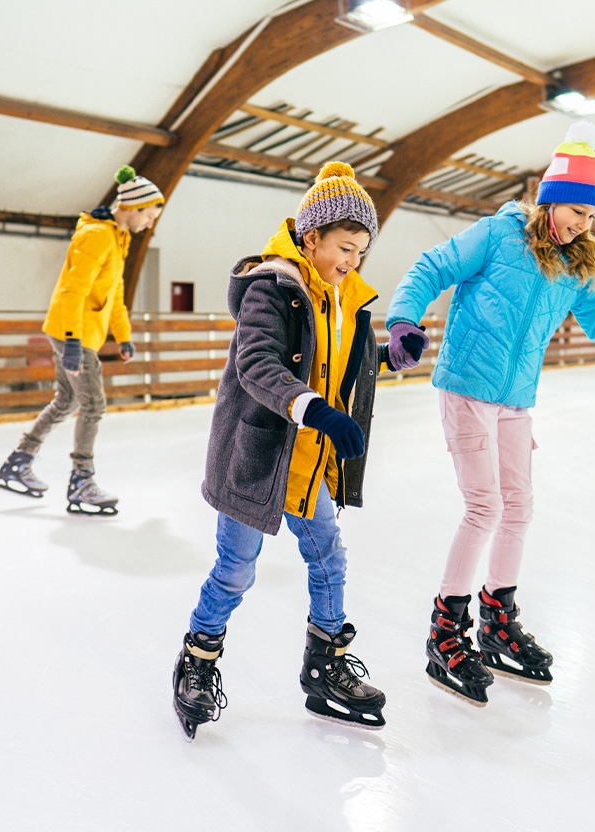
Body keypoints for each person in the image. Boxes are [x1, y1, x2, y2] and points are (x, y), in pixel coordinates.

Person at [384, 121, 595, 707]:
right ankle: (445, 632)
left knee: (519, 508)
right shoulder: (497, 235)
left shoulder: (577, 267)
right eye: (576, 212)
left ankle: (497, 620)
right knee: (483, 508)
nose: (583, 225)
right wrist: (404, 318)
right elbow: (430, 267)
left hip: (515, 402)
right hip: (467, 387)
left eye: (592, 217)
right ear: (551, 200)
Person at [172, 161, 414, 739]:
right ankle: (198, 663)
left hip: (309, 464)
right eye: (344, 248)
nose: (352, 261)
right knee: (236, 569)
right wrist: (316, 410)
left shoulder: (344, 296)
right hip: (257, 457)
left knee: (329, 558)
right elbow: (257, 365)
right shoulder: (272, 286)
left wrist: (387, 356)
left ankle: (324, 663)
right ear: (311, 238)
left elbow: (337, 359)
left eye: (361, 251)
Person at [0, 165, 164, 515]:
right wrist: (73, 339)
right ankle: (82, 481)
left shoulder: (119, 237)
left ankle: (19, 460)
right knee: (93, 404)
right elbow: (73, 290)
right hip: (72, 333)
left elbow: (115, 293)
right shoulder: (97, 236)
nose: (149, 224)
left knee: (68, 400)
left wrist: (123, 336)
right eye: (148, 216)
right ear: (133, 208)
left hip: (78, 332)